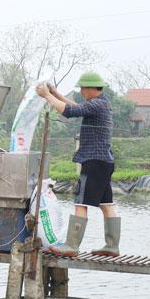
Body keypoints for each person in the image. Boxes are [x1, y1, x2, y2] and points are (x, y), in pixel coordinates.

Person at [35, 71, 120, 257]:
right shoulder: (100, 103)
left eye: (83, 88)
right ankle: (112, 246)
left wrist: (47, 96)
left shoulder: (97, 104)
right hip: (104, 162)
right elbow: (77, 107)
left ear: (91, 89)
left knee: (80, 203)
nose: (81, 91)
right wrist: (55, 93)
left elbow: (69, 111)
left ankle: (71, 246)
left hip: (94, 161)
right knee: (106, 203)